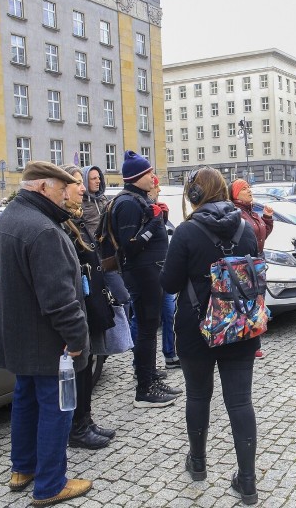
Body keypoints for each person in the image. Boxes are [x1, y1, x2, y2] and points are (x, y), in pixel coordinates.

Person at [0, 161, 92, 505]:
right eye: (62, 189)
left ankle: (23, 468)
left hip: (20, 335)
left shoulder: (7, 219)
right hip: (49, 342)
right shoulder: (44, 230)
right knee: (56, 407)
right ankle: (50, 484)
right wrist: (78, 339)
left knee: (25, 400)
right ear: (43, 187)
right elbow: (59, 300)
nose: (67, 195)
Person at [160, 167, 261, 505]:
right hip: (239, 327)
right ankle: (247, 481)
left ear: (193, 195)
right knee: (241, 402)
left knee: (198, 396)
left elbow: (170, 284)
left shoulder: (187, 232)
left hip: (196, 329)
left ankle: (198, 463)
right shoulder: (246, 229)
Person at [112, 151, 181, 407]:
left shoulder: (138, 199)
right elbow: (130, 247)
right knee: (146, 331)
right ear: (138, 177)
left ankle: (151, 377)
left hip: (152, 273)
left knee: (151, 330)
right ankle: (144, 389)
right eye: (149, 173)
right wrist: (154, 223)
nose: (154, 177)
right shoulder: (128, 203)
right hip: (142, 275)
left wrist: (159, 219)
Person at [60, 165, 116, 450]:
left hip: (91, 298)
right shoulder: (63, 224)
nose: (83, 188)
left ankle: (86, 419)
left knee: (90, 361)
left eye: (84, 183)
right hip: (80, 302)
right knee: (80, 367)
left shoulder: (78, 220)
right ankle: (78, 426)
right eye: (77, 183)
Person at [81, 164, 131, 383]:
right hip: (93, 263)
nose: (97, 181)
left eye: (98, 178)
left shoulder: (103, 201)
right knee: (110, 304)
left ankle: (113, 344)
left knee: (123, 300)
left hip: (110, 262)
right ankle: (104, 347)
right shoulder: (81, 206)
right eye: (92, 179)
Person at [229, 178, 274, 359]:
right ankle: (247, 342)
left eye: (249, 187)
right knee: (247, 302)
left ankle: (254, 341)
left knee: (258, 302)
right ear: (235, 194)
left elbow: (261, 234)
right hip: (245, 263)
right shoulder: (235, 213)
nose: (249, 190)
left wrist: (267, 219)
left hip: (257, 261)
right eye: (244, 188)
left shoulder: (251, 211)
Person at [149, 174, 180, 370]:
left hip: (164, 272)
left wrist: (163, 219)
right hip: (148, 274)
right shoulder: (141, 208)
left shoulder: (161, 210)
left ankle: (170, 354)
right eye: (156, 186)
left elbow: (168, 238)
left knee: (169, 313)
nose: (159, 190)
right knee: (145, 321)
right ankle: (143, 365)